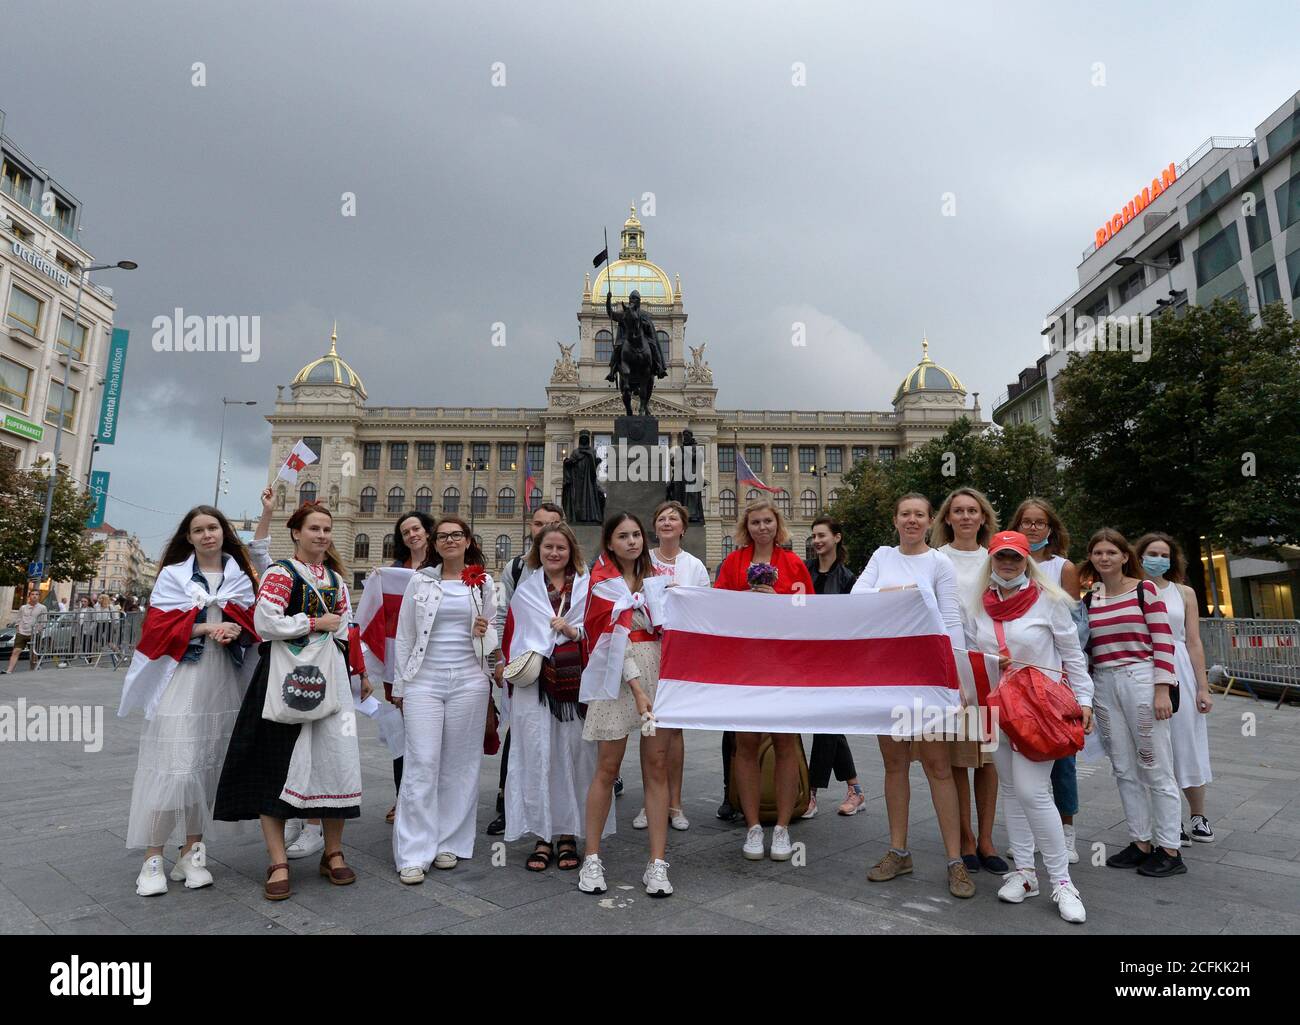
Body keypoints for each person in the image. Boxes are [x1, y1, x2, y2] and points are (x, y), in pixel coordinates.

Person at [214, 501, 368, 900]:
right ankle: (278, 860)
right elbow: (265, 622)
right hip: (281, 679)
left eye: (326, 529)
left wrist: (354, 667)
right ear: (296, 533)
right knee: (274, 764)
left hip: (329, 679)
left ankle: (332, 852)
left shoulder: (334, 577)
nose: (321, 535)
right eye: (314, 528)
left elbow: (347, 629)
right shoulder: (281, 573)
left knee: (336, 761)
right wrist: (315, 623)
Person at [119, 506, 259, 896]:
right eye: (198, 530)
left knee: (206, 768)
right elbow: (157, 628)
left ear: (223, 532)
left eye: (213, 527)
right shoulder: (173, 575)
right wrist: (209, 626)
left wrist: (236, 631)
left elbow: (251, 624)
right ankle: (152, 857)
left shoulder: (239, 577)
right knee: (175, 767)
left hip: (223, 679)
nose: (207, 535)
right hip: (182, 678)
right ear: (189, 537)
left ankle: (193, 851)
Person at [964, 531, 1093, 923]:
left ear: (1027, 561)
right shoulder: (976, 605)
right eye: (1001, 556)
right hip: (995, 708)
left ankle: (1062, 882)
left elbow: (1072, 653)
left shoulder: (1049, 600)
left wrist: (1084, 700)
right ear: (991, 560)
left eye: (1015, 558)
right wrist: (987, 664)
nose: (1007, 563)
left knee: (1034, 792)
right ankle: (1024, 873)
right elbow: (969, 655)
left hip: (1038, 709)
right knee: (1010, 790)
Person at [852, 493, 975, 899]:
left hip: (926, 672)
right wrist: (902, 593)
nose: (911, 520)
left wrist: (957, 679)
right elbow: (855, 599)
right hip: (887, 671)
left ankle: (955, 861)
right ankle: (898, 850)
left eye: (919, 515)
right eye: (905, 513)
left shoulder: (939, 562)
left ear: (928, 521)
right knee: (894, 763)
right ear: (896, 519)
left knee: (938, 765)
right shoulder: (883, 555)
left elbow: (951, 620)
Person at [577, 512, 677, 897]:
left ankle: (657, 863)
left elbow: (670, 627)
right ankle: (592, 857)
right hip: (616, 676)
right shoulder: (601, 582)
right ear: (610, 543)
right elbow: (609, 639)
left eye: (637, 534)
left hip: (656, 670)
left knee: (657, 765)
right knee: (607, 767)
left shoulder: (656, 581)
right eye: (623, 536)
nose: (633, 541)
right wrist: (637, 689)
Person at [391, 515, 496, 881]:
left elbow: (493, 635)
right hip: (425, 680)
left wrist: (483, 632)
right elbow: (404, 636)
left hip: (469, 679)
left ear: (468, 540)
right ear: (434, 544)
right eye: (443, 536)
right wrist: (401, 686)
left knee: (461, 763)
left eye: (457, 535)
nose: (450, 541)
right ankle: (414, 851)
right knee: (422, 762)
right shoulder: (420, 582)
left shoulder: (483, 583)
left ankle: (449, 841)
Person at [503, 522, 609, 871]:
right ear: (539, 550)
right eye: (548, 547)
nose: (554, 553)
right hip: (536, 687)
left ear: (571, 551)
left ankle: (568, 834)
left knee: (574, 757)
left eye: (561, 548)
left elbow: (598, 632)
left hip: (574, 685)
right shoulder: (526, 590)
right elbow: (514, 637)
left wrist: (574, 631)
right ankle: (542, 834)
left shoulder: (586, 588)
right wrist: (540, 645)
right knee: (538, 755)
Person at [714, 498, 815, 862]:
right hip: (745, 666)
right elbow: (718, 608)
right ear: (747, 527)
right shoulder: (734, 562)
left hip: (784, 666)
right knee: (746, 746)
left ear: (778, 525)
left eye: (768, 521)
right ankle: (754, 826)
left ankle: (784, 827)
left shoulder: (792, 563)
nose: (762, 528)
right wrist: (745, 598)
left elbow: (809, 612)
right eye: (755, 522)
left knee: (787, 744)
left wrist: (780, 601)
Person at [1080, 528, 1185, 877]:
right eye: (1098, 553)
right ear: (1091, 558)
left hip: (1140, 679)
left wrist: (1161, 690)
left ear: (1126, 556)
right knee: (1123, 767)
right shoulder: (1090, 598)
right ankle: (1141, 841)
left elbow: (1163, 642)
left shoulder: (1145, 590)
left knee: (1155, 764)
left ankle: (1169, 847)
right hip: (1104, 683)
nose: (1104, 558)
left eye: (1112, 552)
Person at [930, 487, 1008, 874]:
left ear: (982, 517)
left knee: (989, 760)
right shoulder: (936, 559)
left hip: (991, 667)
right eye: (957, 511)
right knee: (959, 759)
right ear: (947, 518)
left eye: (972, 511)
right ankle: (965, 837)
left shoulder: (996, 558)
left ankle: (988, 837)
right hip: (955, 669)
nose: (965, 517)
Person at [1008, 497, 1082, 862]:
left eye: (1040, 523)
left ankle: (1066, 831)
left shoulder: (1062, 568)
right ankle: (1029, 840)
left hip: (1052, 680)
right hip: (1014, 687)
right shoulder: (1005, 566)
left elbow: (1074, 625)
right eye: (1026, 522)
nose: (1033, 528)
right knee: (1018, 771)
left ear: (1050, 529)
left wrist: (1070, 681)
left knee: (1060, 760)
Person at [488, 502, 564, 836]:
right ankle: (508, 805)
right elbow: (501, 615)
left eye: (552, 523)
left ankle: (555, 808)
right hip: (523, 665)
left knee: (560, 736)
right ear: (531, 527)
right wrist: (499, 661)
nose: (544, 529)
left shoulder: (574, 566)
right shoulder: (517, 568)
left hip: (562, 666)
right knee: (517, 732)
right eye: (538, 523)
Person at [634, 499, 709, 833]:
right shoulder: (642, 560)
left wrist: (684, 595)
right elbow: (629, 597)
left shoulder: (693, 565)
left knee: (674, 729)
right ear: (655, 526)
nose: (666, 523)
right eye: (661, 518)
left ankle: (675, 803)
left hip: (679, 650)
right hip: (647, 647)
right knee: (649, 725)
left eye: (673, 519)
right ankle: (650, 802)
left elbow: (706, 607)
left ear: (683, 527)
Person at [1134, 533, 1215, 844]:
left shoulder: (1184, 593)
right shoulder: (1131, 590)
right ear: (1139, 556)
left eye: (1164, 554)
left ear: (1172, 559)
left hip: (1179, 665)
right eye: (1152, 553)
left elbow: (1194, 641)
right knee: (1155, 745)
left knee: (1187, 741)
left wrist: (1203, 687)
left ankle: (1198, 815)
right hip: (1145, 666)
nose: (1158, 559)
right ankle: (1170, 821)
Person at [801, 515, 866, 819]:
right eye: (814, 536)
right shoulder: (804, 572)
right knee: (827, 721)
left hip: (836, 661)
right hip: (806, 658)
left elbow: (852, 620)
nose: (816, 541)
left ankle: (810, 793)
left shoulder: (849, 579)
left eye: (822, 535)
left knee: (825, 723)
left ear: (837, 538)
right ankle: (855, 789)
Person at [3, 589, 47, 674]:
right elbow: (18, 619)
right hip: (22, 632)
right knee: (16, 651)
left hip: (34, 633)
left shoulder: (42, 608)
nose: (34, 596)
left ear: (39, 596)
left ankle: (32, 669)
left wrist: (38, 630)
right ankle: (9, 670)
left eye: (37, 594)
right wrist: (18, 629)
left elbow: (44, 621)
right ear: (29, 596)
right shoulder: (23, 607)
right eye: (32, 594)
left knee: (33, 653)